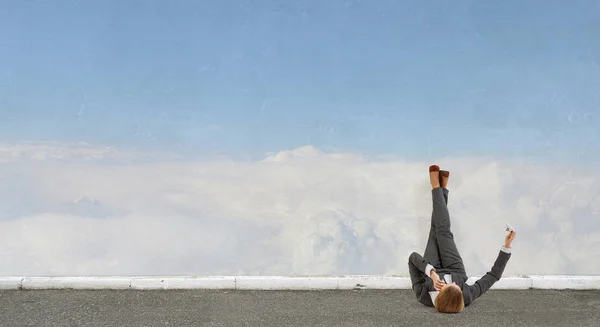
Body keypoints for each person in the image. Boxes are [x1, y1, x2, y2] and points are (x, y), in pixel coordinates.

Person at [408, 165, 516, 313]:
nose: (455, 284)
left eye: (447, 285)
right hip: (454, 267)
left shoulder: (423, 296)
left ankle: (440, 189)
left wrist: (432, 273)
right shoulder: (467, 295)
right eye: (458, 288)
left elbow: (413, 258)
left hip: (431, 265)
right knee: (443, 231)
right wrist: (507, 246)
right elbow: (494, 275)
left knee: (435, 230)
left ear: (440, 292)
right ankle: (437, 188)